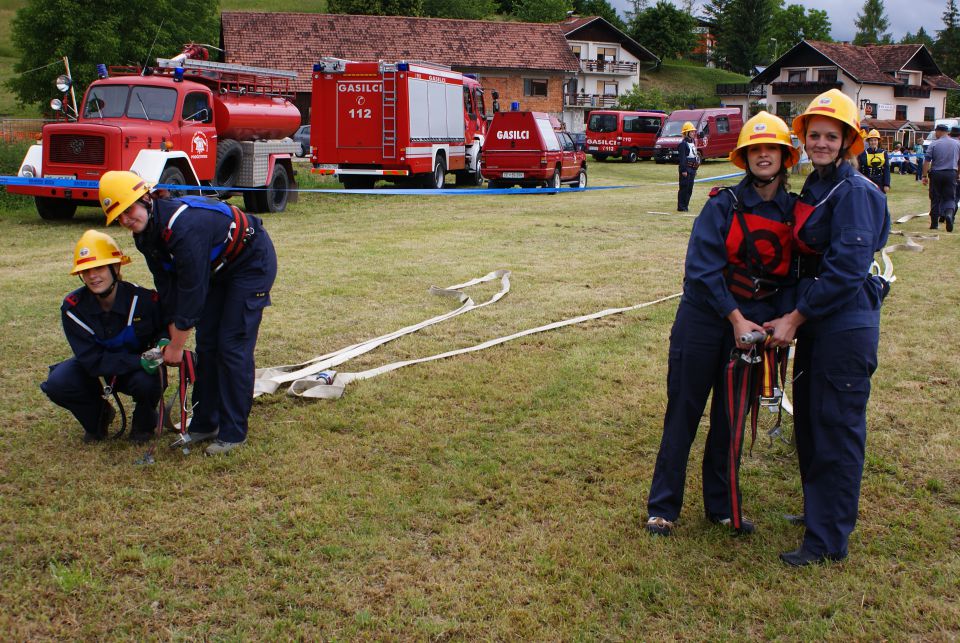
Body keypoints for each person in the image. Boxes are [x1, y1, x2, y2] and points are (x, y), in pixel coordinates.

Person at [646, 112, 799, 537]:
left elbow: (793, 278)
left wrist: (770, 325)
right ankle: (663, 507)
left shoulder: (795, 214)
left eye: (772, 149)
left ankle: (722, 506)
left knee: (730, 421)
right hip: (704, 323)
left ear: (785, 157)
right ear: (745, 156)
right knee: (684, 414)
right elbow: (701, 269)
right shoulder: (722, 204)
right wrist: (734, 317)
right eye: (756, 149)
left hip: (750, 333)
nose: (764, 155)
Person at [765, 89, 891, 566]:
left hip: (843, 323)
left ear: (847, 142)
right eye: (813, 135)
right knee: (813, 424)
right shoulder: (818, 186)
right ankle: (819, 513)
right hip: (818, 320)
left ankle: (827, 541)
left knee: (836, 429)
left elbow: (844, 271)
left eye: (829, 136)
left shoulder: (855, 192)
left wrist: (794, 318)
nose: (819, 143)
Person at [98, 171, 278, 455]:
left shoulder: (182, 226)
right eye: (119, 217)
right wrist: (172, 339)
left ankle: (233, 432)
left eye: (128, 209)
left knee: (231, 346)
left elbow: (192, 292)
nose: (126, 220)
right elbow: (168, 288)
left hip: (249, 263)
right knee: (207, 344)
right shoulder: (144, 236)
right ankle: (206, 423)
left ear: (145, 198)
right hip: (217, 269)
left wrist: (177, 346)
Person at [41, 230, 165, 444]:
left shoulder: (145, 300)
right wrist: (139, 360)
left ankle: (143, 425)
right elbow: (91, 360)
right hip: (97, 369)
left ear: (115, 268)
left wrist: (160, 351)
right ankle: (98, 418)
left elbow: (165, 334)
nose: (92, 276)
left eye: (98, 268)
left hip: (136, 373)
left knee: (150, 380)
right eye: (86, 270)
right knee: (58, 383)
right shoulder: (73, 308)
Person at [922, 123, 959, 232]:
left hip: (936, 174)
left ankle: (934, 224)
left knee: (935, 198)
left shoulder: (934, 144)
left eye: (936, 132)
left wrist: (924, 176)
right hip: (951, 173)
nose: (935, 134)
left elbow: (927, 161)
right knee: (950, 197)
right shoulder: (957, 144)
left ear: (939, 131)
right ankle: (948, 213)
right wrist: (957, 174)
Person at [677, 121, 700, 212]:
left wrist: (695, 169)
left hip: (692, 169)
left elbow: (694, 157)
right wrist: (683, 170)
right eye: (691, 132)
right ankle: (681, 207)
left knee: (689, 189)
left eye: (694, 132)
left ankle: (685, 206)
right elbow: (682, 158)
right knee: (684, 188)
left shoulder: (693, 143)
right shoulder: (683, 144)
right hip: (686, 169)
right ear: (686, 133)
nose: (693, 133)